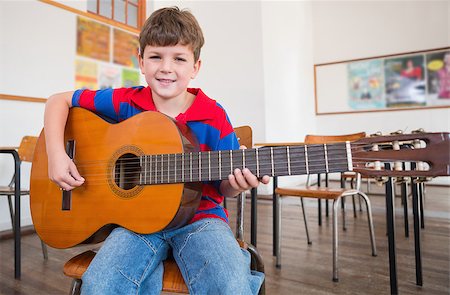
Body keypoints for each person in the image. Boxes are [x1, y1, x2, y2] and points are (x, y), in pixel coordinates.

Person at [44, 6, 269, 295]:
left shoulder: (213, 115)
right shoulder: (126, 101)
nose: (166, 67)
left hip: (201, 220)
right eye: (155, 57)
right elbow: (57, 101)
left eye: (179, 58)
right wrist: (56, 155)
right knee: (101, 284)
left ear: (195, 67)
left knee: (230, 285)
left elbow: (224, 188)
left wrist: (236, 186)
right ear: (140, 60)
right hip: (133, 223)